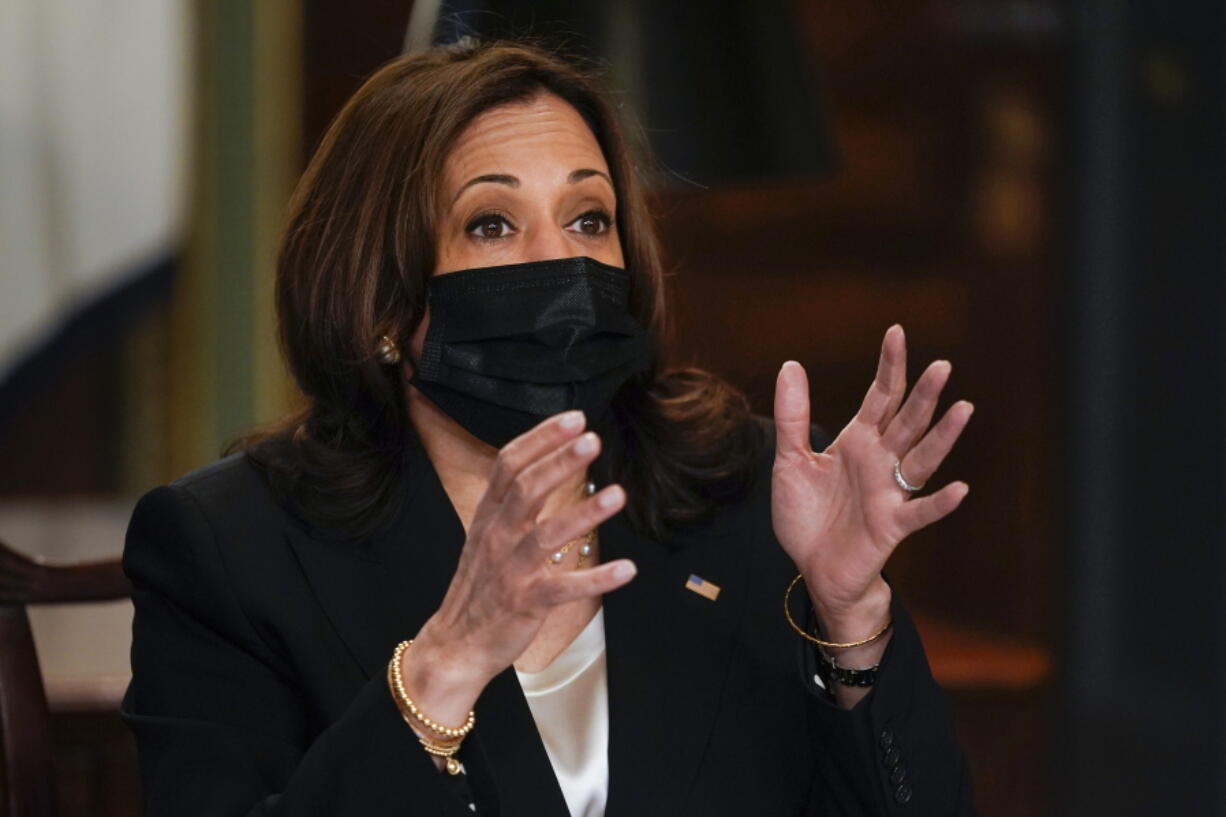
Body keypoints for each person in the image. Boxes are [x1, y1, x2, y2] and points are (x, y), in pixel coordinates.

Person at [121, 38, 977, 816]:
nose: (558, 263)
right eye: (492, 224)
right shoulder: (230, 547)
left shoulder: (746, 485)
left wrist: (848, 613)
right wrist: (446, 662)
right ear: (380, 297)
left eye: (588, 219)